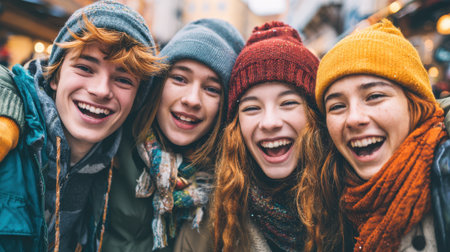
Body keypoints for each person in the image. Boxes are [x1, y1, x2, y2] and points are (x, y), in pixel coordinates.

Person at [0, 0, 166, 251]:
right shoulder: (10, 135)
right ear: (55, 75)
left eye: (123, 80)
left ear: (135, 100)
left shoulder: (126, 163)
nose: (100, 91)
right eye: (85, 68)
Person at [100, 18, 244, 251]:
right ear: (158, 83)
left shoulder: (231, 182)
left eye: (211, 89)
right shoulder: (111, 135)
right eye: (179, 78)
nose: (192, 100)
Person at [307, 19, 450, 252]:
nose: (354, 118)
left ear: (414, 104)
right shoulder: (328, 199)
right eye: (336, 106)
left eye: (374, 96)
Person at [210, 21, 328, 252]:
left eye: (288, 103)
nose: (270, 123)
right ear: (236, 126)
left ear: (315, 114)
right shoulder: (214, 219)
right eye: (252, 108)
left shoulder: (353, 208)